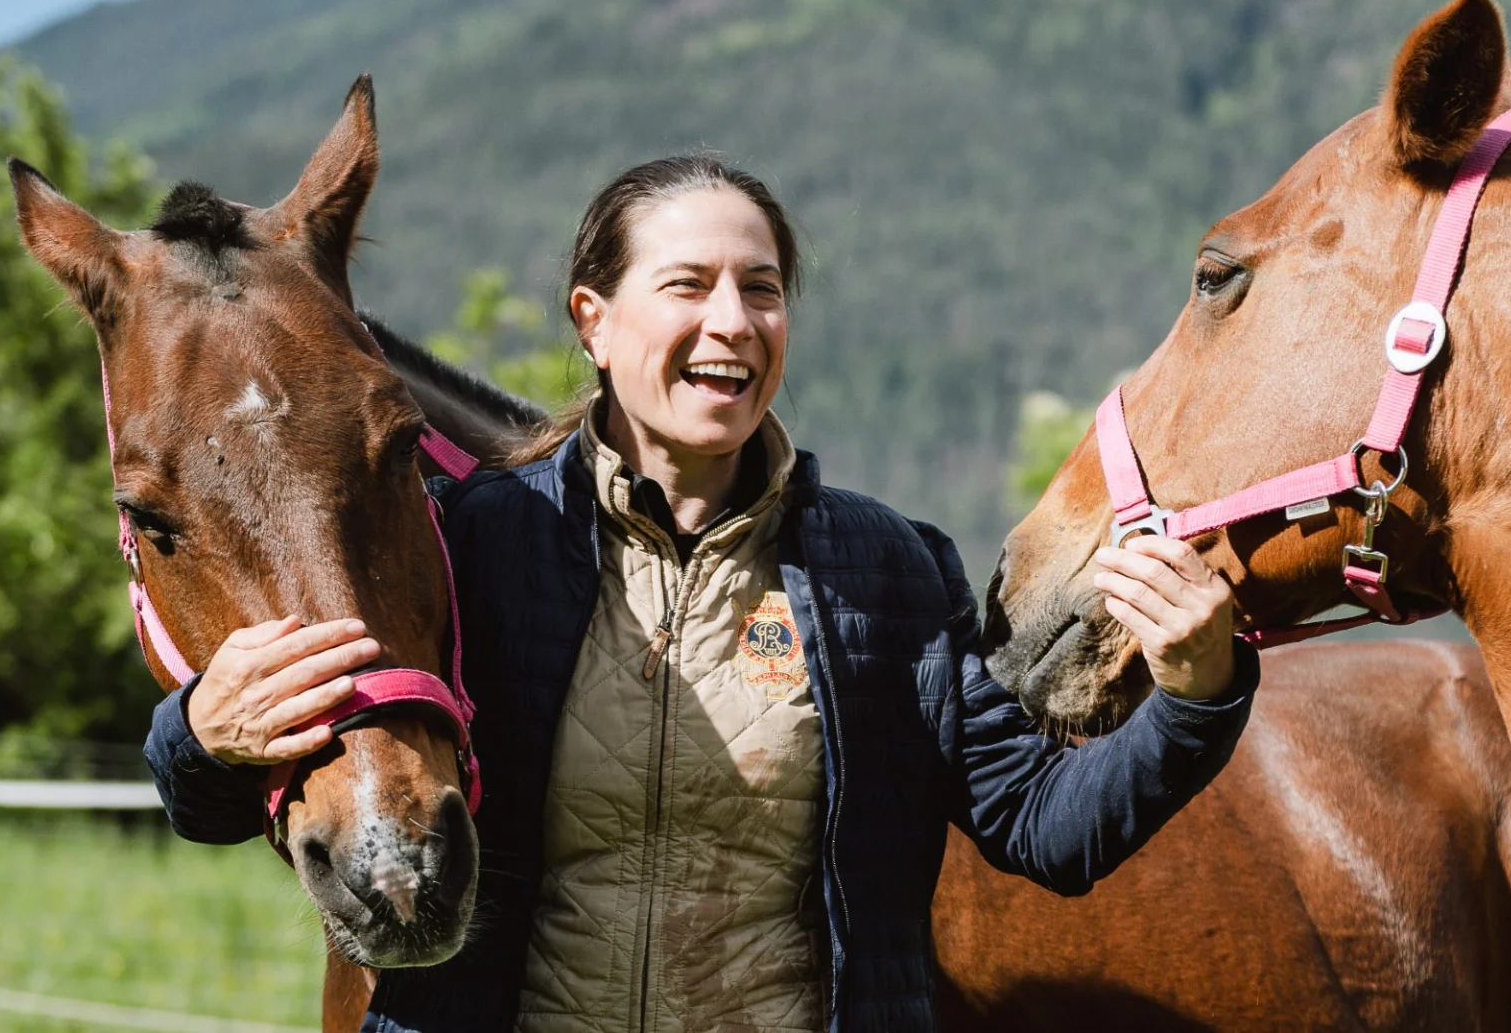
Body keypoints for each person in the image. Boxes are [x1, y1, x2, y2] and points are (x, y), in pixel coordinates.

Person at [145, 156, 1257, 1033]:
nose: (733, 320)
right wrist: (198, 733)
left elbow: (1043, 828)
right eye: (687, 285)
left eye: (761, 290)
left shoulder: (884, 573)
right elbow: (246, 791)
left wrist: (1195, 696)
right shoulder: (478, 543)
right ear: (593, 317)